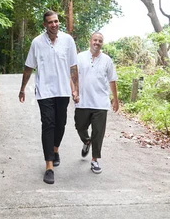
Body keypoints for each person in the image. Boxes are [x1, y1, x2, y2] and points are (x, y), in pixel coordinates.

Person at [19, 10, 79, 184]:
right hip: (44, 91)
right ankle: (49, 166)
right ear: (45, 25)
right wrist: (22, 88)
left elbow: (73, 67)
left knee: (61, 124)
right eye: (50, 22)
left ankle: (55, 149)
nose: (54, 25)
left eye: (56, 21)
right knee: (48, 124)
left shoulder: (68, 40)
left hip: (62, 91)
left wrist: (76, 89)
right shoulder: (37, 42)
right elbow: (28, 67)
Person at [74, 32, 119, 174]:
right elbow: (73, 75)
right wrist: (74, 91)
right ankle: (86, 141)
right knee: (80, 126)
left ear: (102, 43)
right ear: (90, 41)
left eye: (100, 41)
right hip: (83, 101)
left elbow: (112, 80)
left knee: (98, 132)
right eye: (95, 40)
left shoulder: (107, 60)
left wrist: (116, 100)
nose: (97, 42)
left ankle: (94, 160)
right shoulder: (80, 57)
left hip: (101, 103)